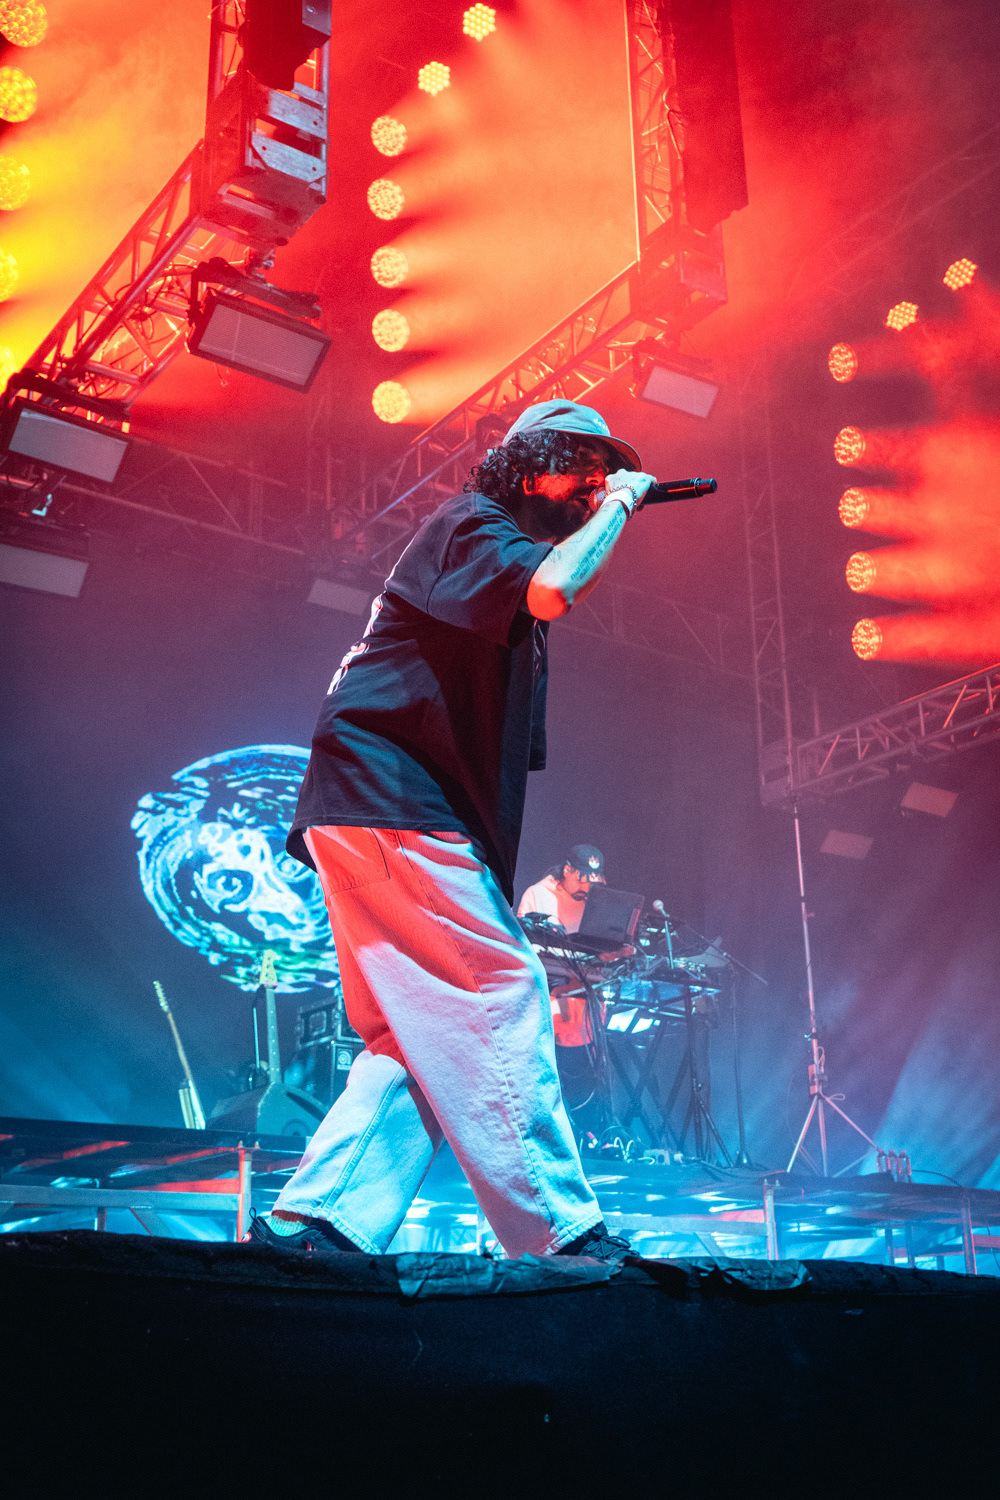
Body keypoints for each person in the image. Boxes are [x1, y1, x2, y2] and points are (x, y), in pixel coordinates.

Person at [251, 399, 655, 1261]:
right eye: (584, 471)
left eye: (606, 478)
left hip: (368, 805)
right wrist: (624, 502)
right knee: (501, 991)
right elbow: (557, 588)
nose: (595, 489)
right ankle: (559, 1234)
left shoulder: (494, 561)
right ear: (530, 466)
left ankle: (320, 1221)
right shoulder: (473, 526)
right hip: (392, 798)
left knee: (418, 1033)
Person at [518, 843, 607, 937]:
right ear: (566, 871)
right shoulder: (538, 894)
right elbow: (521, 937)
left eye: (592, 883)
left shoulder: (593, 903)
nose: (586, 888)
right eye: (581, 881)